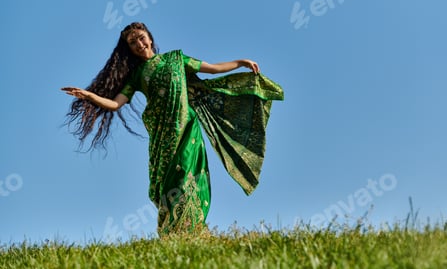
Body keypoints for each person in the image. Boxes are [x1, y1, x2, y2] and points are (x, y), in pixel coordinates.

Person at [62, 22, 284, 236]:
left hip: (187, 127)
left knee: (189, 174)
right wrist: (89, 96)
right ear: (129, 48)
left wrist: (241, 62)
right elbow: (115, 104)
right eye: (132, 42)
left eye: (141, 38)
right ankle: (172, 230)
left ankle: (191, 227)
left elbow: (213, 69)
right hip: (162, 135)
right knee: (169, 181)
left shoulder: (177, 59)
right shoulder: (136, 75)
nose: (139, 44)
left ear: (149, 38)